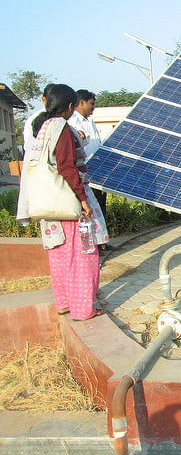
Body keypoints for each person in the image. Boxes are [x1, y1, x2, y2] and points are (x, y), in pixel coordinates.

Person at [17, 84, 109, 321]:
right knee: (83, 255)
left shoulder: (43, 126)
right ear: (70, 106)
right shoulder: (62, 129)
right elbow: (67, 167)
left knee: (59, 253)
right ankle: (83, 309)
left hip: (48, 202)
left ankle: (65, 303)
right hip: (67, 203)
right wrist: (83, 199)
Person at [68, 89, 111, 251]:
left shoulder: (89, 121)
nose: (93, 107)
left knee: (100, 206)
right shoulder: (72, 122)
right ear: (81, 102)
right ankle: (91, 244)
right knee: (88, 210)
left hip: (98, 171)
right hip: (83, 173)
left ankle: (102, 242)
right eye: (91, 104)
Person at [23, 83, 55, 155]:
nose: (54, 103)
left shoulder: (64, 118)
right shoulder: (33, 119)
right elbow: (29, 147)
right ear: (44, 99)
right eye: (52, 100)